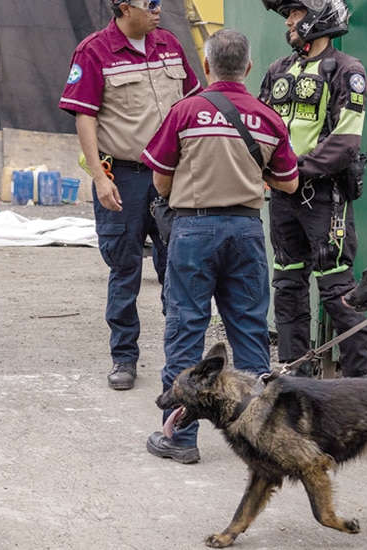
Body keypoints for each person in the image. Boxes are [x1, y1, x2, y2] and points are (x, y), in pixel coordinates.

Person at [140, 28, 299, 463]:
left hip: (194, 231)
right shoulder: (267, 118)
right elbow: (289, 182)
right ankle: (259, 440)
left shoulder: (186, 111)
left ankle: (180, 438)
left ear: (207, 66)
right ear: (247, 68)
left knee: (186, 329)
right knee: (248, 331)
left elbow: (160, 178)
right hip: (246, 231)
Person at [59, 0, 201, 391]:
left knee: (179, 265)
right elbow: (84, 116)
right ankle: (124, 356)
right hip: (124, 176)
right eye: (150, 3)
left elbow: (193, 100)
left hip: (172, 176)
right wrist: (102, 179)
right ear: (123, 7)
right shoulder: (94, 51)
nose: (158, 9)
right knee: (125, 269)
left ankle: (182, 359)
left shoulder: (169, 44)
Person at [258, 0, 367, 378]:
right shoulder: (278, 69)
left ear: (320, 17)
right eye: (288, 16)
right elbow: (259, 124)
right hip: (281, 196)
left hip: (324, 197)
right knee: (288, 286)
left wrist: (295, 171)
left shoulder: (348, 70)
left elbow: (346, 141)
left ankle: (360, 384)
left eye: (296, 14)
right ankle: (296, 381)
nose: (289, 22)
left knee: (336, 289)